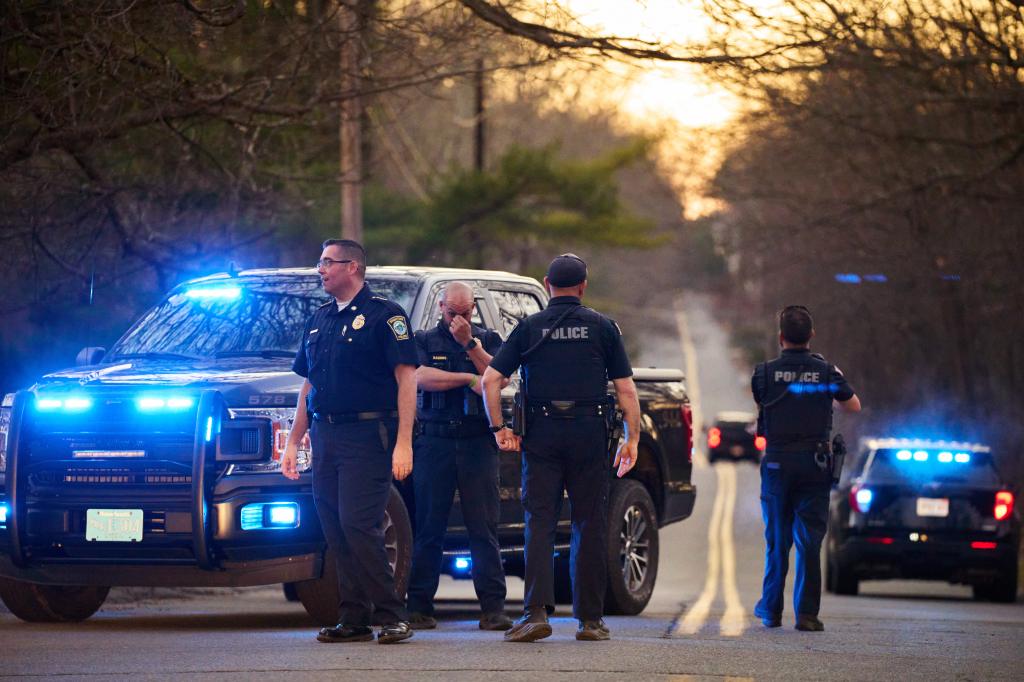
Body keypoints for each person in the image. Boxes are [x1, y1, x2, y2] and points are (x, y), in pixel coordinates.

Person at [482, 253, 641, 643]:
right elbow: (625, 390)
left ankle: (536, 612)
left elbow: (490, 380)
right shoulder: (603, 328)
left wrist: (499, 428)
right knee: (588, 523)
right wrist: (632, 438)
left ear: (546, 283)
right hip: (589, 435)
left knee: (540, 522)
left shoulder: (529, 327)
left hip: (542, 435)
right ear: (583, 286)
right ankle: (590, 621)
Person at [282, 238, 417, 645]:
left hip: (368, 434)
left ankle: (393, 614)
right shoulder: (319, 319)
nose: (320, 269)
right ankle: (354, 617)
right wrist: (293, 441)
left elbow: (406, 378)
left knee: (360, 524)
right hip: (326, 434)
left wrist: (404, 442)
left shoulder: (385, 316)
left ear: (353, 267)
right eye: (319, 261)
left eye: (327, 262)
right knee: (335, 528)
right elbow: (310, 384)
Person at [405, 282, 513, 632]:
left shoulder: (489, 339)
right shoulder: (423, 340)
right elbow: (419, 377)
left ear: (473, 309)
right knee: (428, 526)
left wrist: (470, 344)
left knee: (483, 527)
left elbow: (498, 378)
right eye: (453, 312)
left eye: (465, 312)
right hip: (434, 441)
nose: (459, 318)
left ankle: (493, 608)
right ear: (441, 308)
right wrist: (468, 378)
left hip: (476, 441)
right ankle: (419, 606)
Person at [751, 304, 861, 632]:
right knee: (810, 541)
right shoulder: (826, 371)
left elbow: (762, 400)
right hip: (814, 464)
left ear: (780, 336)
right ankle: (807, 615)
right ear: (811, 335)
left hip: (776, 463)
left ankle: (771, 611)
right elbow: (854, 406)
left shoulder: (764, 373)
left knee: (777, 539)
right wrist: (829, 374)